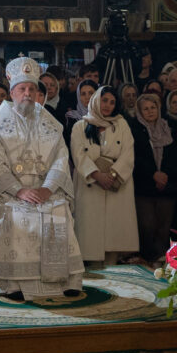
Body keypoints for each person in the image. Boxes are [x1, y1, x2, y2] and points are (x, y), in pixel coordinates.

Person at [0, 59, 81, 302]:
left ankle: (65, 280)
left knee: (59, 210)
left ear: (37, 93)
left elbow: (61, 157)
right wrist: (19, 190)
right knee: (15, 216)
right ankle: (13, 282)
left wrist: (48, 188)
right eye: (22, 89)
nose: (27, 93)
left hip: (45, 191)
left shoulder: (50, 123)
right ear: (12, 92)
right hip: (11, 193)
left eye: (31, 89)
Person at [70, 87, 138, 266]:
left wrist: (113, 175)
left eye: (112, 102)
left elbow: (128, 153)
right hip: (90, 186)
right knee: (90, 238)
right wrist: (97, 175)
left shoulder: (122, 125)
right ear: (95, 100)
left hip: (116, 185)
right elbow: (78, 155)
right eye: (104, 100)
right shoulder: (79, 126)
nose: (107, 105)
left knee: (113, 238)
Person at [129, 88, 176, 261]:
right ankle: (148, 259)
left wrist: (165, 175)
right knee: (147, 225)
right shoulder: (135, 130)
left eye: (153, 107)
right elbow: (136, 157)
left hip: (166, 186)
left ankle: (162, 259)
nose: (150, 111)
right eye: (146, 109)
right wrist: (153, 174)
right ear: (140, 112)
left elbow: (175, 155)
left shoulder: (167, 128)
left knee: (164, 226)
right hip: (144, 186)